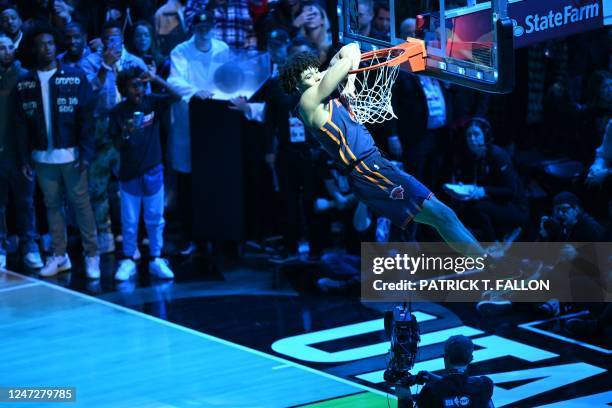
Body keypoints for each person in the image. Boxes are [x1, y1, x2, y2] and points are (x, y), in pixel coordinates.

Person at [279, 45, 484, 256]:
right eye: (308, 76)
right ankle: (492, 270)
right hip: (368, 171)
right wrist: (331, 72)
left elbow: (351, 49)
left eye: (315, 72)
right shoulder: (307, 102)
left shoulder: (325, 93)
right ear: (297, 85)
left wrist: (348, 82)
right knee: (442, 216)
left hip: (376, 164)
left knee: (446, 215)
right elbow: (345, 62)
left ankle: (490, 266)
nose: (314, 77)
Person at [15, 25, 99, 278]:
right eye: (41, 44)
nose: (47, 48)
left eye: (51, 43)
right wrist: (24, 158)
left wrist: (86, 154)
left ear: (56, 45)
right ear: (33, 48)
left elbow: (87, 119)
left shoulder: (74, 76)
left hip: (72, 155)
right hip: (42, 157)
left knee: (81, 205)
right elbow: (20, 125)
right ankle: (60, 255)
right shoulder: (25, 83)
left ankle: (91, 254)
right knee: (52, 206)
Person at [81, 20, 149, 254]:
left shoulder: (134, 63)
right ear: (102, 40)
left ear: (122, 39)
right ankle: (105, 233)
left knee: (131, 185)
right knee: (98, 187)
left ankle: (134, 234)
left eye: (117, 39)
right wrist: (105, 67)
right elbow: (86, 96)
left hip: (130, 130)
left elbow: (146, 99)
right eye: (109, 39)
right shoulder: (90, 62)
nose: (113, 43)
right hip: (100, 132)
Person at [109, 66, 180, 281]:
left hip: (153, 171)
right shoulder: (118, 112)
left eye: (140, 85)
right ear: (123, 90)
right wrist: (127, 133)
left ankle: (156, 258)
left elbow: (176, 96)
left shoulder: (152, 102)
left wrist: (156, 78)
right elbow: (117, 144)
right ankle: (129, 258)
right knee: (129, 220)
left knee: (155, 219)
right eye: (133, 87)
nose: (138, 90)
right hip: (129, 174)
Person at [167, 10, 229, 254]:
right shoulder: (180, 51)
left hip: (216, 122)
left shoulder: (222, 48)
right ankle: (189, 235)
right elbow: (175, 80)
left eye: (208, 25)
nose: (204, 29)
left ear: (213, 26)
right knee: (188, 182)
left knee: (214, 180)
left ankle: (216, 233)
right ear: (193, 27)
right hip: (189, 122)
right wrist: (196, 92)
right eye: (200, 26)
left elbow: (228, 78)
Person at [448, 118, 529, 241]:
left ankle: (494, 244)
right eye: (469, 135)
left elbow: (510, 191)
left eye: (476, 134)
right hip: (494, 201)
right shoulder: (474, 156)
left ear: (485, 135)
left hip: (514, 206)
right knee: (462, 209)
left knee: (479, 208)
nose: (472, 138)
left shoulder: (497, 155)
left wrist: (483, 191)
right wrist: (463, 187)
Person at [0, 34, 42, 271]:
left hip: (21, 153)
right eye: (1, 48)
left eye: (9, 47)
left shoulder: (25, 76)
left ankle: (30, 247)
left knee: (26, 202)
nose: (6, 51)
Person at [416, 335, 494, 408]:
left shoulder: (430, 391)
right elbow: (460, 386)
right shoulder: (485, 385)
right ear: (470, 358)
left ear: (445, 357)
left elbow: (452, 385)